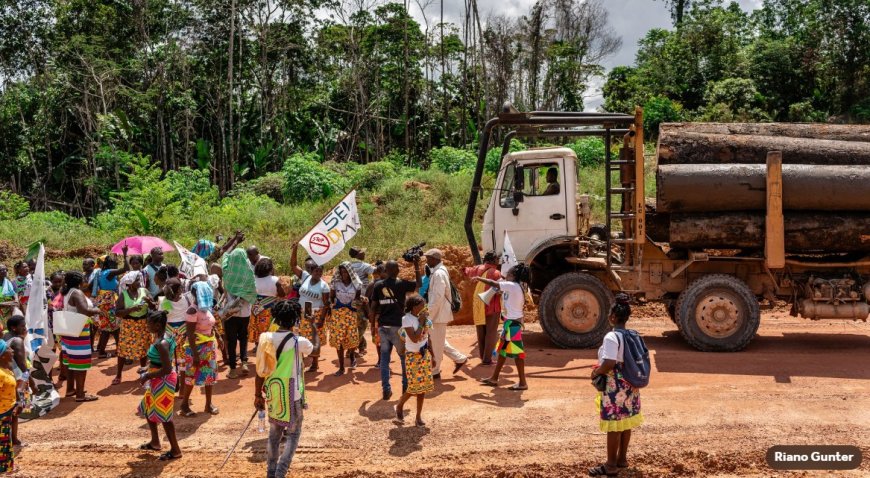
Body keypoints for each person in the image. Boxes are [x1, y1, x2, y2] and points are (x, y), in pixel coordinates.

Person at [255, 300, 313, 478]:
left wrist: (258, 396)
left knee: (274, 435)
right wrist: (313, 326)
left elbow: (259, 370)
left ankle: (271, 472)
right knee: (293, 435)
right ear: (296, 319)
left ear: (276, 318)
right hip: (293, 394)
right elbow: (315, 348)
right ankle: (281, 472)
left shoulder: (265, 338)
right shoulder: (298, 342)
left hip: (274, 392)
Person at [588, 294, 643, 477]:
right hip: (629, 384)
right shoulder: (632, 334)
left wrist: (596, 372)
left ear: (612, 316)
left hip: (615, 386)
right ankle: (622, 460)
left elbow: (609, 362)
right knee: (625, 422)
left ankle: (610, 466)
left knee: (613, 425)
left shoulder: (612, 337)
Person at [370, 259, 421, 400]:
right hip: (399, 328)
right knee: (403, 358)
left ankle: (386, 389)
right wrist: (416, 265)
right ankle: (405, 387)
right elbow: (419, 284)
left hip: (383, 327)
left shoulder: (378, 285)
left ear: (386, 271)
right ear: (398, 270)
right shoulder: (402, 284)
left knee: (385, 360)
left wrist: (372, 327)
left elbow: (373, 308)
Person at [475, 263, 531, 391]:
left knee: (517, 354)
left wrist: (478, 278)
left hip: (512, 325)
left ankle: (523, 383)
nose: (506, 276)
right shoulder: (515, 287)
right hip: (510, 324)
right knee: (502, 351)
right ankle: (494, 378)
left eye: (509, 274)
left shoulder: (512, 286)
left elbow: (493, 283)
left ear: (513, 276)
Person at [136, 310, 182, 461]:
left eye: (148, 323)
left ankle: (175, 450)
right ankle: (155, 442)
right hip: (158, 377)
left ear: (157, 325)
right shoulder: (163, 337)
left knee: (165, 416)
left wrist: (147, 375)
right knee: (148, 407)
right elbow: (161, 360)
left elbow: (167, 368)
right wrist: (146, 368)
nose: (146, 326)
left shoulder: (161, 343)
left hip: (163, 380)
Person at [423, 249, 467, 379]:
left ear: (435, 259)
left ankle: (435, 371)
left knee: (435, 343)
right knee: (438, 341)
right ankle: (460, 359)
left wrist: (428, 315)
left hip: (437, 315)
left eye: (428, 258)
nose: (427, 261)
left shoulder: (438, 274)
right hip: (438, 314)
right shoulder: (438, 272)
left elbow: (437, 297)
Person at [178, 278, 219, 417]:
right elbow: (189, 334)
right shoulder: (192, 311)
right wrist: (195, 355)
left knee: (209, 375)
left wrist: (217, 336)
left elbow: (211, 324)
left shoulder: (206, 308)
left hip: (208, 347)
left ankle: (208, 404)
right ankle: (184, 405)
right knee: (191, 376)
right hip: (195, 349)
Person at [60, 271, 101, 402]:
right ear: (80, 281)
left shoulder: (68, 292)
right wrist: (98, 310)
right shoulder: (77, 293)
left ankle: (71, 389)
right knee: (80, 363)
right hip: (79, 332)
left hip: (70, 330)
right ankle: (80, 395)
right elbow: (84, 311)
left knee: (72, 362)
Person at [395, 295, 435, 427]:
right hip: (412, 357)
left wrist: (433, 355)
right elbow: (414, 338)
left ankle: (418, 417)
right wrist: (422, 321)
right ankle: (400, 405)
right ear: (414, 307)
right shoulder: (406, 319)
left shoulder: (425, 319)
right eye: (421, 305)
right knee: (414, 387)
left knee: (422, 388)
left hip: (424, 355)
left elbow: (427, 338)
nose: (424, 307)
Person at [290, 244, 329, 373]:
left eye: (320, 271)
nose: (318, 273)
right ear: (311, 271)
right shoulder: (305, 277)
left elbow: (326, 303)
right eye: (316, 271)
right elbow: (293, 265)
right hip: (302, 312)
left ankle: (314, 363)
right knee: (300, 336)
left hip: (315, 313)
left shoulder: (324, 286)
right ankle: (300, 361)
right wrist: (295, 249)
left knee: (313, 337)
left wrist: (322, 319)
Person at [221, 248, 257, 379]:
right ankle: (244, 362)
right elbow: (253, 292)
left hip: (231, 314)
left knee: (231, 341)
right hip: (245, 313)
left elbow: (224, 257)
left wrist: (230, 248)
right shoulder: (249, 274)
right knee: (243, 337)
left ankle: (232, 370)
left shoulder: (227, 272)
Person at [113, 272, 153, 385]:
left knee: (143, 349)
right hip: (128, 324)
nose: (139, 282)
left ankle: (143, 373)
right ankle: (119, 374)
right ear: (130, 282)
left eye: (139, 280)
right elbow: (117, 313)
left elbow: (154, 306)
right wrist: (131, 309)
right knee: (123, 350)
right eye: (136, 280)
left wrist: (149, 301)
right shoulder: (124, 295)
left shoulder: (144, 291)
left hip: (143, 324)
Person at [463, 251, 502, 365]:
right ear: (494, 260)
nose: (498, 261)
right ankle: (487, 359)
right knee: (491, 332)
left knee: (481, 331)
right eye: (497, 259)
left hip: (478, 303)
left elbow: (466, 270)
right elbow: (499, 290)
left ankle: (482, 356)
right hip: (492, 305)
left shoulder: (478, 268)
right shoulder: (496, 273)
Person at [93, 252, 129, 358]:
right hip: (109, 301)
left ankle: (104, 351)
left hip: (102, 301)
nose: (116, 265)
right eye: (114, 263)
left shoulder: (99, 273)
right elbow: (125, 268)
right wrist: (125, 254)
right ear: (110, 264)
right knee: (114, 327)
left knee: (109, 327)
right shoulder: (109, 272)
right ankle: (113, 351)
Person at [328, 263, 362, 376]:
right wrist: (331, 305)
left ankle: (352, 355)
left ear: (350, 272)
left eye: (346, 272)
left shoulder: (357, 284)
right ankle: (341, 368)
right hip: (338, 315)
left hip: (351, 314)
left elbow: (357, 299)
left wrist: (361, 301)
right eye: (342, 272)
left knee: (352, 339)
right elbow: (331, 298)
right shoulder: (335, 283)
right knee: (339, 341)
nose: (344, 274)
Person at [160, 279, 191, 395]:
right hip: (183, 333)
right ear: (179, 290)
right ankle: (181, 389)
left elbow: (162, 319)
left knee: (171, 362)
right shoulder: (187, 299)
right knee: (182, 363)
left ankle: (172, 386)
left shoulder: (165, 301)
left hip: (169, 334)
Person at [3, 316, 29, 447]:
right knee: (16, 410)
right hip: (17, 379)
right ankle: (14, 439)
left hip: (10, 377)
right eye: (22, 326)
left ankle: (12, 438)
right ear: (14, 327)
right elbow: (23, 366)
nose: (25, 329)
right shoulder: (17, 340)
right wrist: (30, 383)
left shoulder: (6, 337)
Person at [250, 258, 285, 349]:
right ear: (270, 269)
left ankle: (258, 346)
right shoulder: (275, 280)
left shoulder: (254, 280)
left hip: (256, 307)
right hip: (270, 309)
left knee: (257, 327)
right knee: (269, 327)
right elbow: (282, 295)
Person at [347, 247, 375, 355]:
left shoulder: (348, 265)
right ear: (358, 254)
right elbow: (378, 271)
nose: (364, 252)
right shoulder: (365, 266)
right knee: (362, 323)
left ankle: (361, 347)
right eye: (362, 251)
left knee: (353, 323)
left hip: (349, 298)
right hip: (362, 299)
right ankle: (351, 348)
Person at [0, 340, 20, 473]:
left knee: (6, 441)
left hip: (7, 412)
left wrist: (16, 404)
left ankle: (7, 466)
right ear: (2, 354)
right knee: (2, 442)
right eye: (8, 349)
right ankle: (3, 468)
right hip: (1, 414)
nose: (12, 350)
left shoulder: (7, 370)